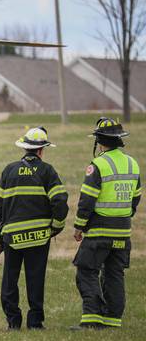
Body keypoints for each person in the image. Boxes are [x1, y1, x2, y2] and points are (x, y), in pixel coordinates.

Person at [0, 127, 69, 330]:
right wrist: (56, 227)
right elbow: (60, 201)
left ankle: (13, 322)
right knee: (35, 279)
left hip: (12, 237)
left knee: (10, 280)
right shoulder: (47, 171)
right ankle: (35, 323)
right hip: (39, 237)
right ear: (41, 150)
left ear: (25, 148)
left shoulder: (9, 170)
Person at [71, 117, 141, 329]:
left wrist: (79, 226)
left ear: (99, 141)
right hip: (122, 232)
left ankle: (92, 318)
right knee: (114, 274)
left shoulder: (98, 164)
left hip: (99, 231)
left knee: (86, 270)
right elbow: (136, 197)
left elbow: (87, 200)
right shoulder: (132, 163)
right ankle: (112, 319)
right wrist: (124, 216)